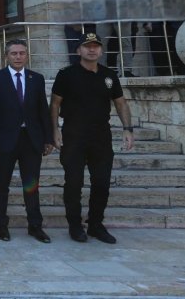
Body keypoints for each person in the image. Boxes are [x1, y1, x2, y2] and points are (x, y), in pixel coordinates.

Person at [51, 32, 134, 244]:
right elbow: (55, 104)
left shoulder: (108, 75)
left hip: (100, 136)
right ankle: (75, 226)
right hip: (74, 134)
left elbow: (121, 103)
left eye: (96, 46)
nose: (92, 49)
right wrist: (55, 130)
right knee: (74, 183)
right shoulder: (66, 74)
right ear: (78, 50)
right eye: (87, 46)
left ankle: (96, 224)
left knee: (102, 183)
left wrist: (127, 128)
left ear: (101, 50)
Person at [0, 39, 53, 243]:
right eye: (14, 53)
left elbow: (43, 110)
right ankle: (1, 225)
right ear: (6, 56)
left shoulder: (36, 79)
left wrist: (48, 138)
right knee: (2, 184)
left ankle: (35, 226)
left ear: (27, 55)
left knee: (31, 185)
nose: (18, 57)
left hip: (31, 140)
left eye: (22, 53)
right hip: (5, 140)